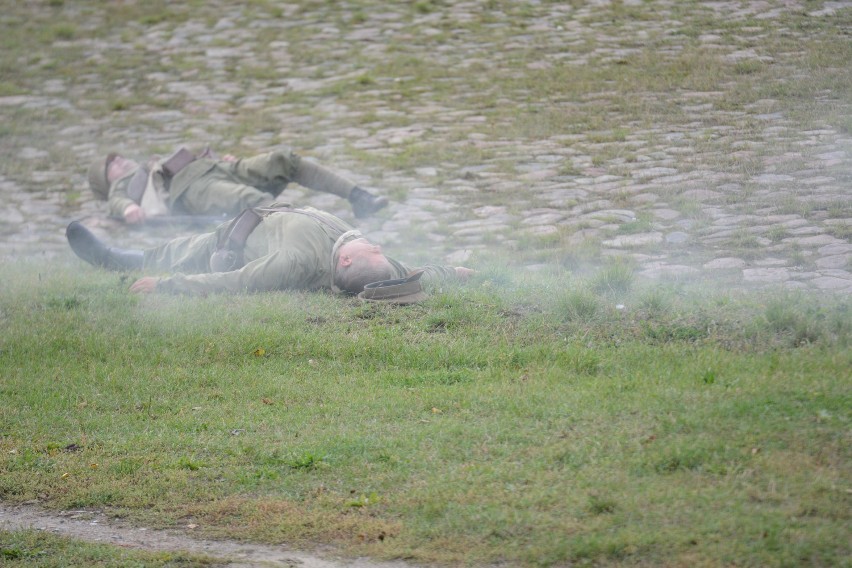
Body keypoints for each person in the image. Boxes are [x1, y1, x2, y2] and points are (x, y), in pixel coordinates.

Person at [66, 203, 474, 298]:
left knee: (179, 249)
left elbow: (239, 280)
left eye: (372, 249)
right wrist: (455, 272)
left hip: (230, 241)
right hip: (266, 212)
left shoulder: (297, 261)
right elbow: (412, 272)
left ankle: (117, 260)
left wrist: (169, 286)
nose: (378, 245)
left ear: (346, 261)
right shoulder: (376, 265)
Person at [87, 146, 389, 224]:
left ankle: (358, 197)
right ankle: (315, 229)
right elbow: (116, 204)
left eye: (118, 158)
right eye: (110, 165)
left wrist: (222, 159)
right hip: (193, 191)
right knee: (250, 199)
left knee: (283, 160)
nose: (120, 162)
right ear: (106, 181)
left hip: (218, 167)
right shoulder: (121, 188)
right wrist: (126, 207)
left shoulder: (149, 163)